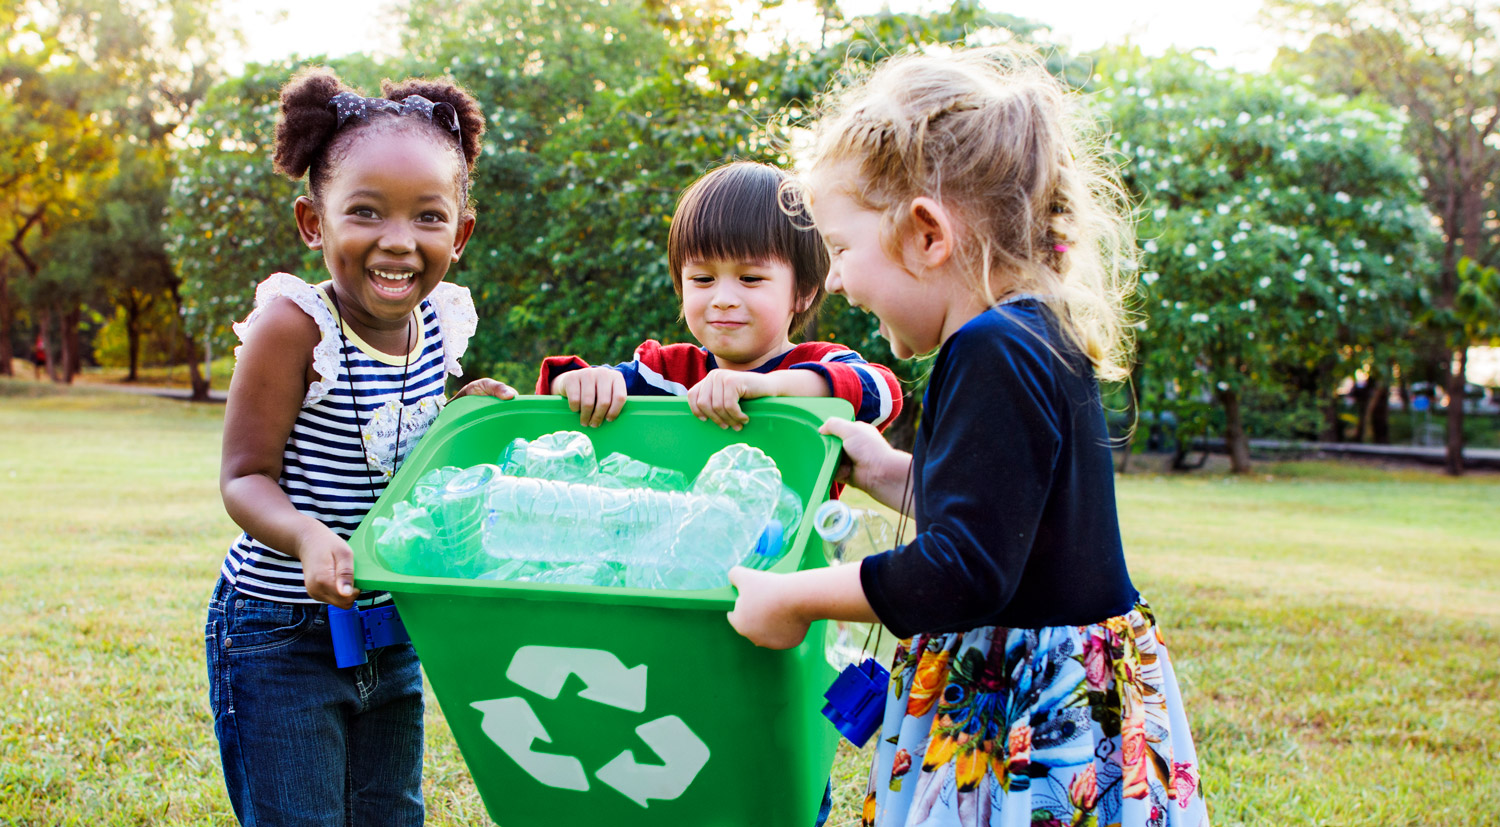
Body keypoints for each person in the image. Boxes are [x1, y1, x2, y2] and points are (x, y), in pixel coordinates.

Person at [726, 49, 1209, 827]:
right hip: (1070, 689)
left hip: (1027, 712)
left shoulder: (987, 347)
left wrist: (797, 598)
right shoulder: (1035, 331)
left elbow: (965, 570)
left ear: (926, 235)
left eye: (844, 249)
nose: (839, 280)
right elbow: (1005, 519)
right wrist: (889, 470)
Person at [206, 67, 515, 826]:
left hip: (390, 623)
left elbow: (402, 443)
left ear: (461, 233)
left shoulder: (442, 320)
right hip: (281, 631)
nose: (398, 242)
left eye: (428, 217)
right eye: (367, 212)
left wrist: (460, 419)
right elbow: (244, 476)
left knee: (390, 813)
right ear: (315, 222)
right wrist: (308, 535)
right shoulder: (294, 327)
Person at [535, 161, 902, 433]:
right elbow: (556, 391)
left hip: (794, 539)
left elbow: (884, 393)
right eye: (703, 278)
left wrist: (768, 387)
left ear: (803, 291)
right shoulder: (665, 375)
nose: (723, 298)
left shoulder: (817, 364)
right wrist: (580, 383)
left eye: (750, 278)